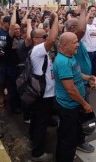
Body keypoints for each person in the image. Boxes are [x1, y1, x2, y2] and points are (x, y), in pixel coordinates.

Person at [53, 32, 96, 162]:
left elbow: (77, 74)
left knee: (70, 133)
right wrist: (85, 104)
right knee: (67, 138)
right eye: (74, 42)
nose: (78, 44)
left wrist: (88, 77)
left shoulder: (70, 57)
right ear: (64, 45)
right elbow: (71, 90)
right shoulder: (63, 62)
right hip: (68, 106)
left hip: (74, 105)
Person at [29, 12, 59, 162]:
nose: (47, 38)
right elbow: (53, 38)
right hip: (43, 94)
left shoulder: (39, 50)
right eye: (44, 37)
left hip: (43, 92)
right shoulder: (37, 50)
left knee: (37, 119)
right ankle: (37, 153)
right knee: (42, 122)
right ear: (35, 39)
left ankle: (32, 138)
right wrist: (57, 19)